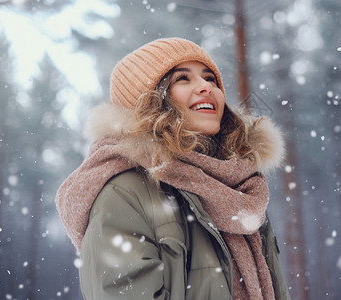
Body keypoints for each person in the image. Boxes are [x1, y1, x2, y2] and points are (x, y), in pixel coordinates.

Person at [56, 37, 290, 300]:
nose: (205, 87)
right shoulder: (125, 193)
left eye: (210, 78)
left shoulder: (242, 190)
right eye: (182, 78)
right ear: (149, 102)